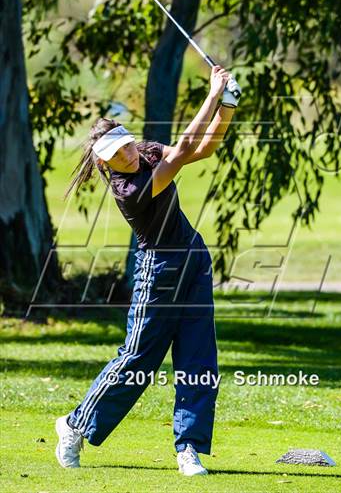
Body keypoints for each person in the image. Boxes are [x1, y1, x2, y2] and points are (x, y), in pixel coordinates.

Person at [56, 66, 241, 476]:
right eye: (116, 156)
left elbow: (203, 148)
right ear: (105, 165)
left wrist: (227, 106)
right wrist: (212, 95)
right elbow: (182, 149)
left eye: (125, 146)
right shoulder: (130, 191)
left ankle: (188, 447)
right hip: (159, 269)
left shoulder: (145, 151)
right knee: (138, 359)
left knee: (198, 357)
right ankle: (74, 425)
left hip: (193, 257)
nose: (127, 155)